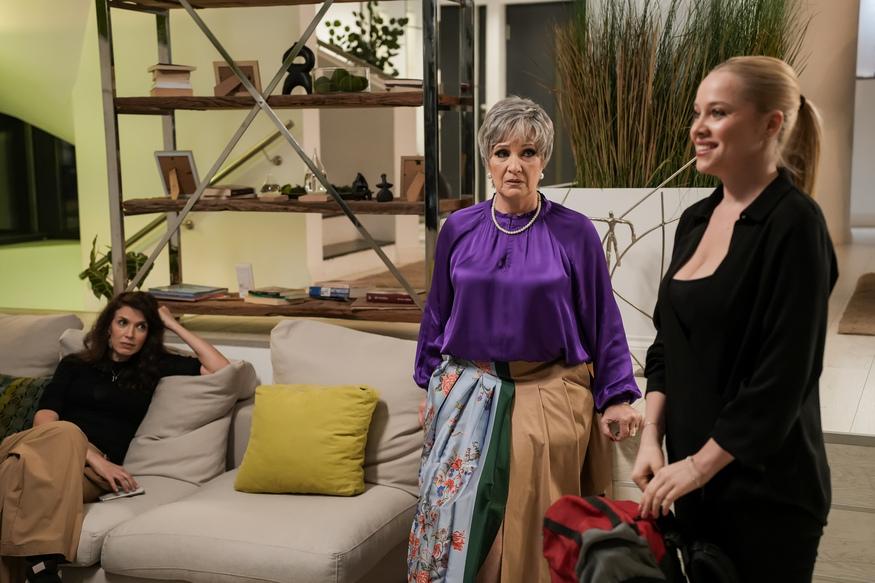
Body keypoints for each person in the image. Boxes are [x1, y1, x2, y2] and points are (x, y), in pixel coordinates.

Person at [408, 96, 642, 583]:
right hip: (466, 392)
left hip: (548, 394)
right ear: (487, 161)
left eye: (528, 153)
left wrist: (617, 395)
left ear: (543, 162)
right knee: (455, 528)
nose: (514, 165)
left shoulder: (574, 232)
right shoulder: (459, 229)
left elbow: (603, 319)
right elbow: (437, 314)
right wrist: (429, 388)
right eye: (502, 152)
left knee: (534, 535)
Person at [631, 56, 836, 583]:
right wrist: (652, 435)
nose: (699, 127)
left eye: (718, 113)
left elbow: (782, 381)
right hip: (691, 489)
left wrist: (698, 466)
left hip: (766, 497)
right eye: (697, 112)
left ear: (771, 124)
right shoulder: (695, 220)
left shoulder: (795, 225)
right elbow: (667, 345)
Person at [0, 292, 230, 583]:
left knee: (12, 473)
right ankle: (42, 568)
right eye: (123, 323)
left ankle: (39, 568)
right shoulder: (74, 364)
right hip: (50, 447)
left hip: (79, 473)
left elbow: (223, 369)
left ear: (149, 333)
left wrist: (173, 324)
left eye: (141, 326)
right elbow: (44, 419)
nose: (130, 334)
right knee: (66, 431)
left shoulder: (153, 367)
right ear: (108, 325)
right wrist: (96, 459)